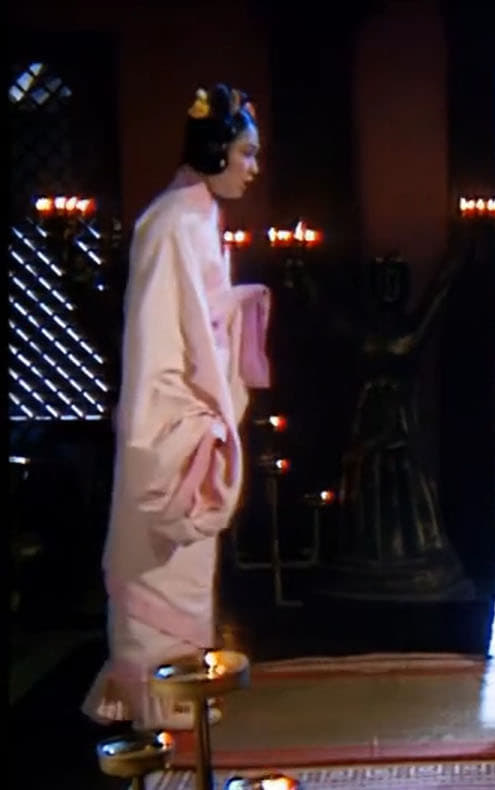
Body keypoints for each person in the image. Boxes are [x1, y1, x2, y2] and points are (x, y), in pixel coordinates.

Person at [82, 84, 271, 730]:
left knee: (187, 574)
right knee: (158, 564)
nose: (253, 167)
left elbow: (198, 319)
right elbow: (160, 336)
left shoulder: (197, 217)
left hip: (193, 409)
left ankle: (180, 699)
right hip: (169, 416)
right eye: (245, 153)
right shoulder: (171, 223)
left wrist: (234, 311)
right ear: (216, 150)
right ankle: (156, 706)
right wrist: (182, 424)